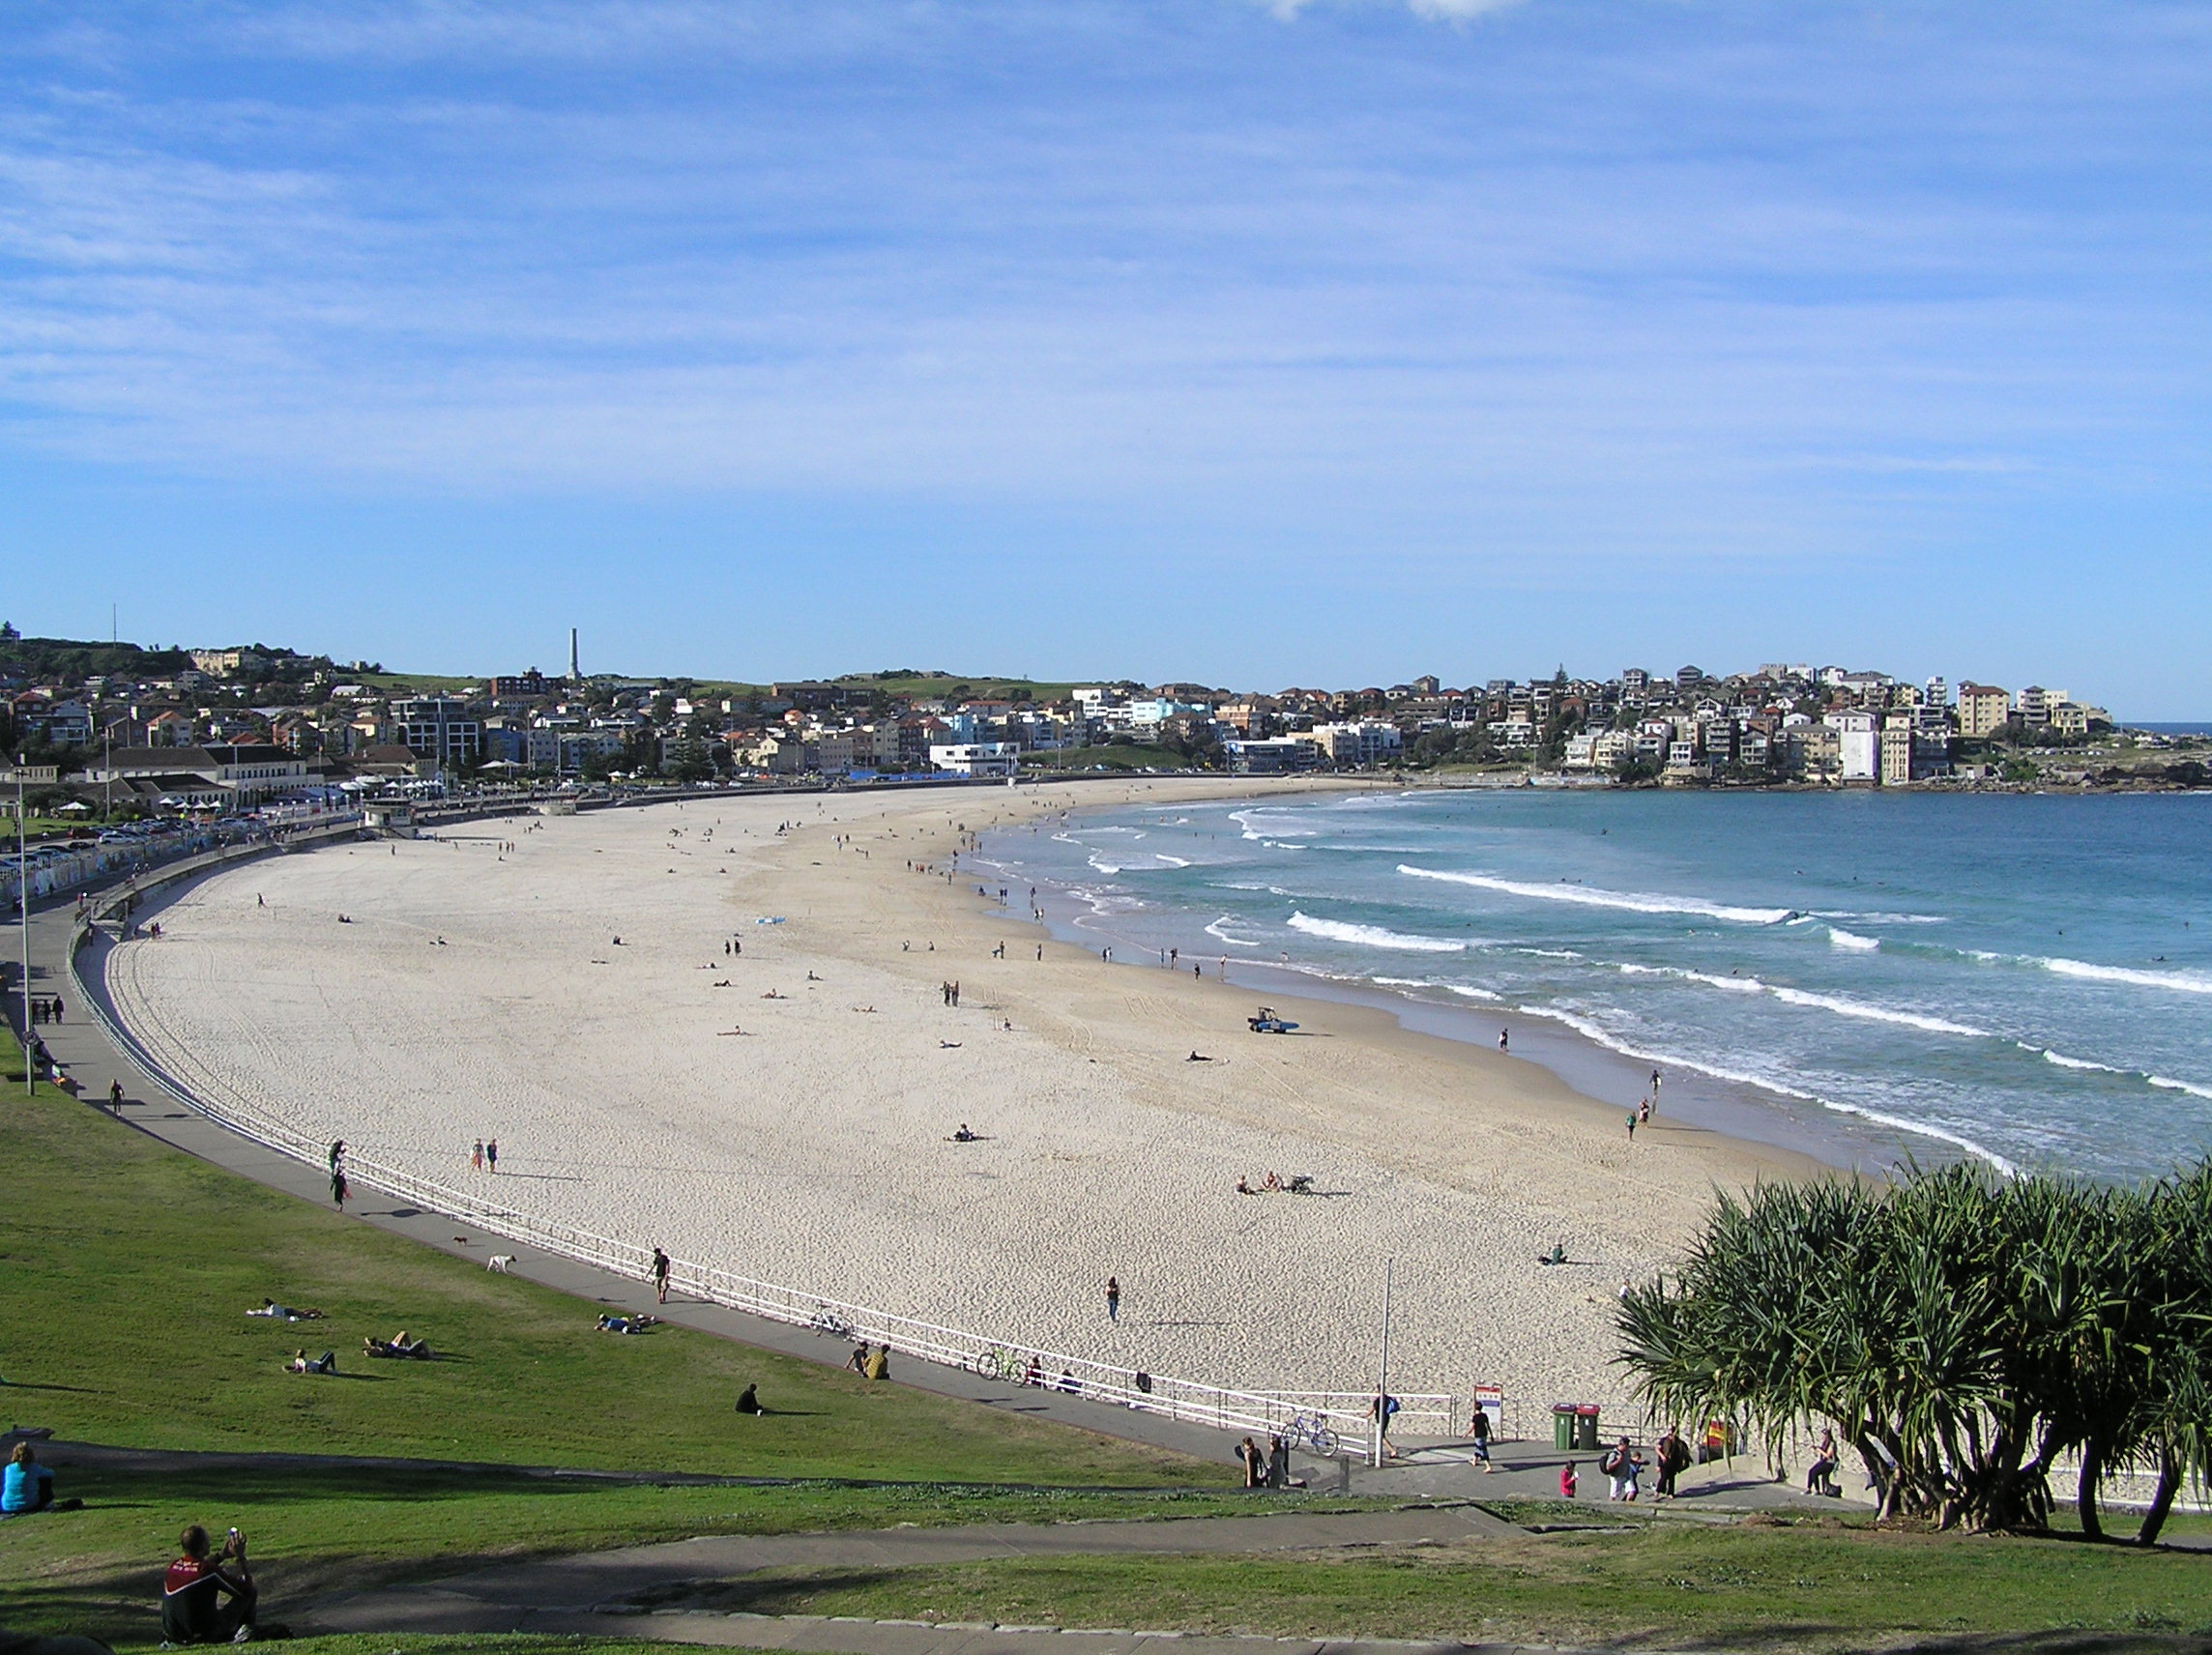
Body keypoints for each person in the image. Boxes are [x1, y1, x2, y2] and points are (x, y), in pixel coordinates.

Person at [160, 1524, 257, 1644]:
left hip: (173, 1635)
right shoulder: (208, 1571)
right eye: (207, 1541)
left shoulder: (174, 1566)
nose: (209, 1544)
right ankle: (246, 1633)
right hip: (201, 1635)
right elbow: (246, 1589)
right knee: (251, 1592)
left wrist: (222, 1555)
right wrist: (240, 1557)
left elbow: (198, 1568)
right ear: (202, 1546)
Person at [3, 1441, 75, 1514]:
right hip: (28, 1505)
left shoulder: (8, 1469)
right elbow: (51, 1474)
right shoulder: (34, 1468)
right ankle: (46, 1503)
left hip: (6, 1506)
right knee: (45, 1479)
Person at [1654, 1425, 1691, 1500]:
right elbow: (1658, 1449)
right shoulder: (1664, 1440)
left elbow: (1684, 1451)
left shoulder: (1679, 1442)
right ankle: (1658, 1490)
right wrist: (1662, 1456)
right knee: (1663, 1477)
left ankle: (1670, 1493)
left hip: (1674, 1462)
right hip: (1664, 1462)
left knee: (1671, 1478)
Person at [1603, 1437, 1644, 1501]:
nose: (1628, 1447)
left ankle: (1627, 1507)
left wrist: (1640, 1463)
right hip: (1616, 1477)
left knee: (1632, 1491)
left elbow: (1629, 1460)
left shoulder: (1627, 1452)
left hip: (1626, 1476)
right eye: (1627, 1446)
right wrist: (1618, 1461)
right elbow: (1608, 1467)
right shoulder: (1614, 1454)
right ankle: (1610, 1507)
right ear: (1623, 1445)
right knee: (1613, 1496)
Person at [1806, 1427, 1840, 1496]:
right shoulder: (1825, 1443)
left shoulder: (1832, 1444)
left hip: (1829, 1463)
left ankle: (1817, 1490)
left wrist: (1819, 1450)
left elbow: (1828, 1455)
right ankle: (1808, 1488)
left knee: (1815, 1473)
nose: (1823, 1437)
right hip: (1823, 1461)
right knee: (1811, 1471)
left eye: (1824, 1435)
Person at [1469, 1406, 1494, 1472]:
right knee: (1478, 1448)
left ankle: (1488, 1466)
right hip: (1484, 1434)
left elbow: (1472, 1427)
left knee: (1482, 1450)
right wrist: (1491, 1435)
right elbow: (1488, 1425)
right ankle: (1474, 1461)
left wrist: (1466, 1434)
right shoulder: (1484, 1416)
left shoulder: (1475, 1417)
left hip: (1478, 1435)